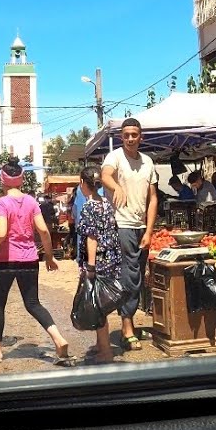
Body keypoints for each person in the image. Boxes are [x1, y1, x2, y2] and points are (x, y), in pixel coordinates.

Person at [0, 159, 72, 366]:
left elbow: (1, 233)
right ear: (21, 180)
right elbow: (44, 231)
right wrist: (49, 257)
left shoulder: (2, 203)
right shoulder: (31, 201)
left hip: (6, 260)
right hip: (30, 259)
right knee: (33, 303)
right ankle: (58, 339)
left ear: (2, 180)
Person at [99, 117, 158, 352]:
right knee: (129, 276)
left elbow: (153, 198)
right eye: (126, 135)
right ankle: (126, 328)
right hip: (121, 224)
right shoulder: (114, 157)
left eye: (134, 135)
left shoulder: (148, 162)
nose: (130, 139)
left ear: (141, 136)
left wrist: (150, 230)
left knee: (138, 277)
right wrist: (117, 187)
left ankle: (129, 322)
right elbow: (105, 175)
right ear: (121, 137)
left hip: (141, 227)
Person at [76, 165, 121, 365]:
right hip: (112, 258)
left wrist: (91, 266)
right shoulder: (106, 203)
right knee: (100, 302)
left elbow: (91, 237)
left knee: (97, 305)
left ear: (83, 183)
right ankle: (100, 344)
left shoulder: (89, 206)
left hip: (99, 261)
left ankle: (106, 351)